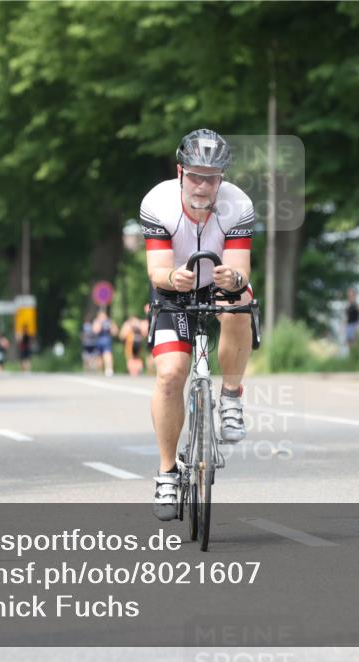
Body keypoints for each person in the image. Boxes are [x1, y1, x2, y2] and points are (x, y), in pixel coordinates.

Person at [141, 128, 255, 520]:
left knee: (241, 301)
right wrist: (174, 278)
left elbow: (241, 270)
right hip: (174, 287)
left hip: (220, 284)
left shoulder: (238, 204)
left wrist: (233, 280)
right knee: (171, 375)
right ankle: (167, 472)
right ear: (180, 172)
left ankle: (231, 397)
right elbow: (157, 269)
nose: (203, 185)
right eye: (195, 175)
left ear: (222, 178)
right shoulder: (158, 203)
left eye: (211, 176)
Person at [92, 309, 118, 377]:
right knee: (99, 356)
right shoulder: (97, 321)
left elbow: (115, 332)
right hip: (99, 340)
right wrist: (100, 324)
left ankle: (109, 369)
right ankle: (100, 370)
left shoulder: (109, 322)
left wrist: (111, 326)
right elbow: (95, 331)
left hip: (106, 340)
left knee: (107, 354)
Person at [120, 312, 146, 377]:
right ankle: (138, 370)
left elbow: (122, 335)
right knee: (137, 357)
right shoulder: (140, 323)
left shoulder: (128, 323)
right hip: (139, 341)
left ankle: (132, 372)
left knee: (130, 357)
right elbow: (144, 333)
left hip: (130, 341)